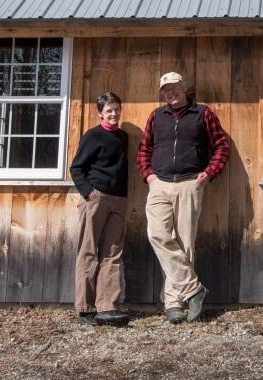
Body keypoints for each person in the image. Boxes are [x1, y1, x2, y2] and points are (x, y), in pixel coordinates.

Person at [138, 72, 230, 324]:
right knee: (158, 234)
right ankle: (193, 289)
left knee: (184, 242)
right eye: (166, 90)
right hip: (160, 184)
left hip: (190, 183)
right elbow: (144, 149)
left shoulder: (202, 113)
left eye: (174, 88)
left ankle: (174, 303)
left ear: (184, 88)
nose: (170, 93)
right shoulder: (156, 116)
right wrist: (148, 176)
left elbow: (221, 145)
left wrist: (209, 174)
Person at [69, 92, 130, 327]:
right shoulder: (93, 136)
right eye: (108, 111)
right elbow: (77, 168)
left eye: (116, 109)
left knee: (112, 254)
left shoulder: (123, 137)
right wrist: (89, 193)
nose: (113, 114)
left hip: (119, 200)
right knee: (88, 251)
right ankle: (85, 308)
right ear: (100, 113)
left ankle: (108, 307)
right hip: (96, 199)